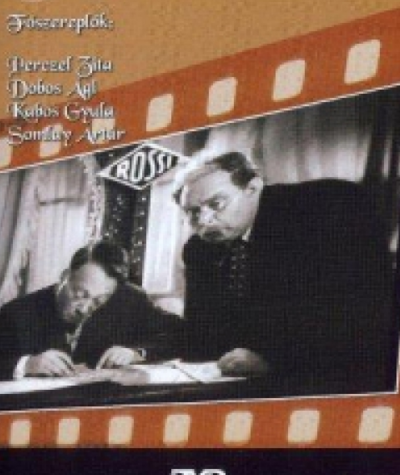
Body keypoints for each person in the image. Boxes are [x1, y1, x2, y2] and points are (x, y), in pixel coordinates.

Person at [173, 150, 397, 395]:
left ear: (252, 188)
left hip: (335, 376)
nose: (204, 221)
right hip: (235, 380)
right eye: (193, 212)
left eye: (216, 204)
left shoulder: (323, 211)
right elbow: (199, 333)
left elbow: (358, 313)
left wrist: (273, 359)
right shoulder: (199, 249)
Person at [0, 240, 182, 379]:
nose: (85, 308)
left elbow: (181, 335)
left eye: (99, 300)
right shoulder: (16, 314)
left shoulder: (128, 301)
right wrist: (27, 364)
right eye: (80, 294)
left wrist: (136, 353)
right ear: (65, 277)